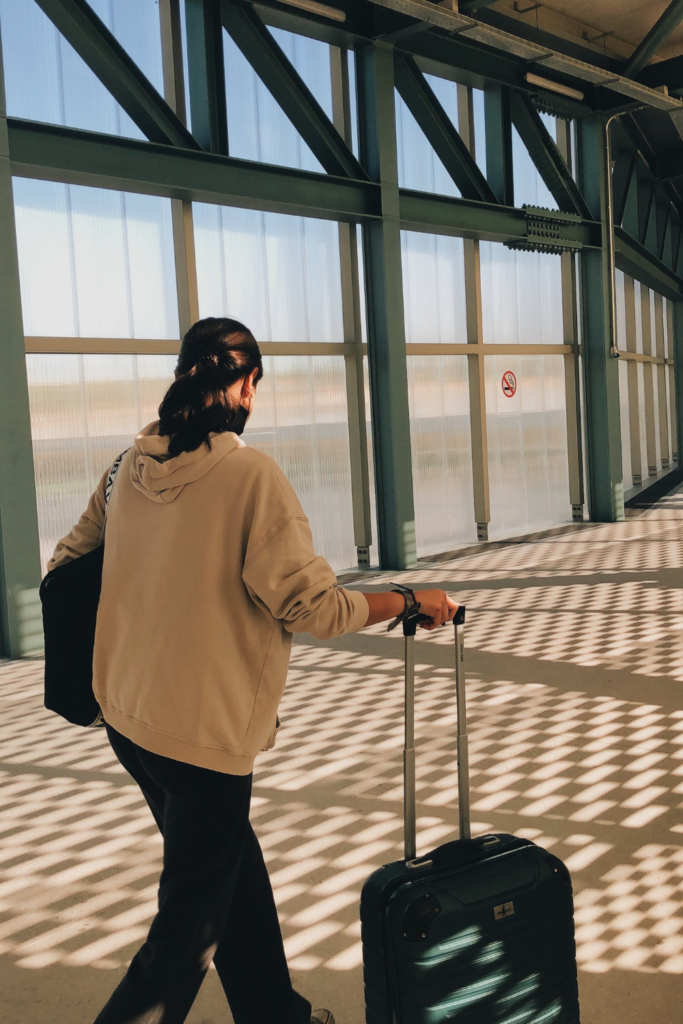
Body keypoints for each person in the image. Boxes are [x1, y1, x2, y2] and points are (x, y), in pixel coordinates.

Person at [48, 317, 458, 1024]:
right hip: (199, 741)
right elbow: (313, 608)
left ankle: (276, 1015)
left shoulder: (126, 467)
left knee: (231, 879)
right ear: (245, 384)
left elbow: (65, 567)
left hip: (129, 720)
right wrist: (413, 599)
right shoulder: (249, 476)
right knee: (183, 940)